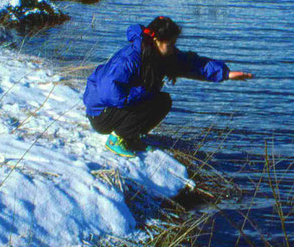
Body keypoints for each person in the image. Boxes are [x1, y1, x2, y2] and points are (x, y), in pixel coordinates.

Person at [83, 16, 253, 157]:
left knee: (163, 100)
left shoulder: (160, 54)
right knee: (150, 97)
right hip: (101, 115)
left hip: (118, 108)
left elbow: (192, 65)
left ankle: (130, 137)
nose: (173, 49)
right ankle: (116, 139)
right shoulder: (129, 59)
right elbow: (109, 93)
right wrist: (144, 92)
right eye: (170, 45)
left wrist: (226, 74)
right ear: (156, 40)